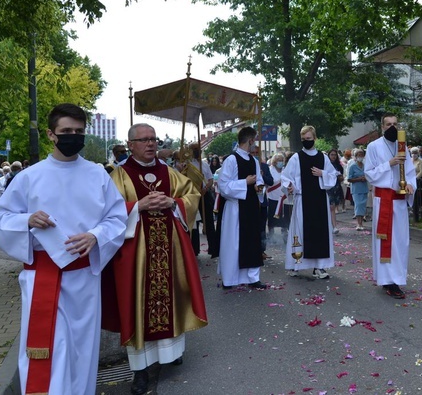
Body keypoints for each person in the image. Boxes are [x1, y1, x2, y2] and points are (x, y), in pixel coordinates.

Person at [0, 103, 127, 395]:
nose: (73, 136)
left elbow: (116, 218)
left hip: (83, 279)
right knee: (52, 348)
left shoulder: (98, 174)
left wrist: (95, 236)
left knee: (81, 351)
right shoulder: (29, 177)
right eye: (66, 131)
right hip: (43, 276)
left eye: (78, 131)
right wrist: (26, 218)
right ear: (51, 134)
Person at [103, 123, 208, 395]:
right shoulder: (119, 175)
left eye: (154, 139)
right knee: (137, 304)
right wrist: (138, 206)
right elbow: (106, 212)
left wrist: (174, 204)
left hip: (168, 252)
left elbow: (192, 194)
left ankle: (171, 353)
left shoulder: (169, 172)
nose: (150, 144)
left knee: (171, 296)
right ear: (131, 145)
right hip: (136, 255)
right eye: (144, 140)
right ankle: (140, 371)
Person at [364, 114, 417, 299]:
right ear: (382, 127)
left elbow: (410, 172)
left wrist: (410, 185)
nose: (392, 127)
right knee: (386, 241)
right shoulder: (373, 146)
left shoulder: (403, 147)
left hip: (399, 201)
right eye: (388, 124)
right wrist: (389, 164)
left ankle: (397, 278)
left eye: (395, 124)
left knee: (400, 241)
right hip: (383, 200)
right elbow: (369, 174)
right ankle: (388, 280)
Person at [281, 125, 338, 279]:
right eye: (304, 139)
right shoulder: (296, 158)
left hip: (319, 200)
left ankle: (319, 267)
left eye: (309, 138)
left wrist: (322, 173)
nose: (307, 141)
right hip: (302, 200)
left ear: (315, 138)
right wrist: (289, 186)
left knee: (320, 233)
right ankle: (295, 265)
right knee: (299, 231)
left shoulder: (323, 157)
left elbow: (333, 176)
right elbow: (286, 177)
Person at [218, 127, 268, 288]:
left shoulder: (253, 160)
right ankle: (230, 278)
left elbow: (259, 181)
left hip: (251, 206)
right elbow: (223, 186)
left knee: (252, 241)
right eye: (255, 140)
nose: (256, 144)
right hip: (235, 208)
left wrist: (259, 187)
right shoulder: (231, 160)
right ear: (250, 140)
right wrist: (244, 183)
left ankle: (252, 278)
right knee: (234, 243)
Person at [267, 153, 289, 243]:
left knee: (284, 217)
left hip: (283, 197)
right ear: (275, 162)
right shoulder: (270, 170)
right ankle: (271, 235)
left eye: (281, 160)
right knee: (272, 217)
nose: (280, 162)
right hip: (272, 197)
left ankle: (284, 235)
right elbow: (269, 182)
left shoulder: (285, 170)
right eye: (278, 160)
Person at [347, 149, 369, 230]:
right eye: (358, 155)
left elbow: (369, 176)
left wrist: (365, 178)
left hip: (364, 188)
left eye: (362, 155)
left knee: (363, 206)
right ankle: (358, 223)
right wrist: (359, 179)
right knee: (358, 205)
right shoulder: (352, 167)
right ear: (355, 157)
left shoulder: (365, 166)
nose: (360, 156)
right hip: (356, 189)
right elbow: (349, 179)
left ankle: (362, 223)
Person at [327, 149, 345, 235]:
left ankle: (333, 226)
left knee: (333, 207)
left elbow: (341, 176)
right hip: (328, 188)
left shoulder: (338, 165)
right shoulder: (326, 165)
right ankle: (333, 226)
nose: (333, 156)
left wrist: (340, 177)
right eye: (332, 155)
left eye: (335, 155)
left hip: (336, 187)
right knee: (331, 207)